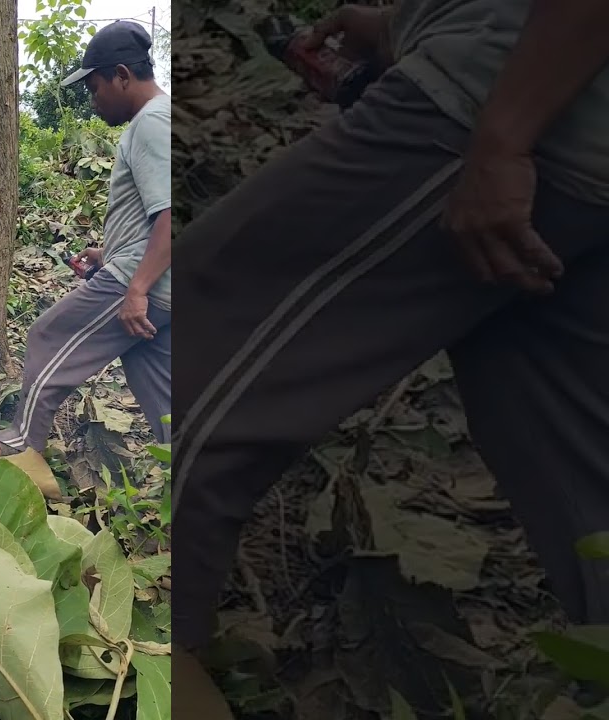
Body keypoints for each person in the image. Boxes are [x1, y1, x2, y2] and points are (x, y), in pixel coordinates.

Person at [173, 0, 609, 712]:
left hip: (502, 112)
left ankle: (139, 659)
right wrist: (412, 24)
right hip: (577, 135)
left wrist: (503, 139)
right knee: (579, 465)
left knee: (187, 355)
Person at [0, 21, 171, 457]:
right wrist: (108, 252)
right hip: (166, 287)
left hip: (142, 282)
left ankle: (22, 443)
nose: (93, 100)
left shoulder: (152, 123)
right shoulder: (165, 119)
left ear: (122, 76)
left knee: (46, 336)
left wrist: (136, 288)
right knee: (157, 380)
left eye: (95, 87)